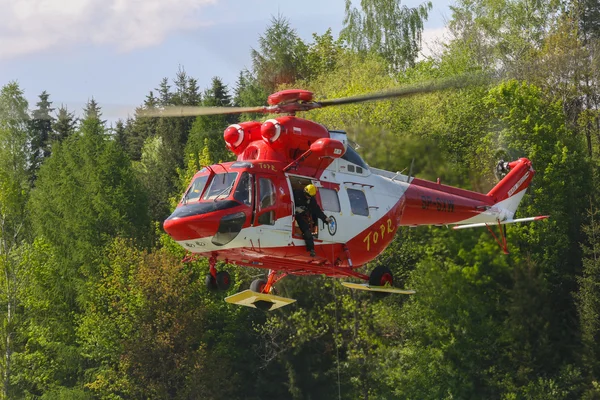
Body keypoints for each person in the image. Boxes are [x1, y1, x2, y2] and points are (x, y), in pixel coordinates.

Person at [293, 184, 332, 257]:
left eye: (310, 196)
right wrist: (295, 208)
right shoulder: (296, 193)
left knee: (307, 231)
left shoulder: (311, 201)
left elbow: (317, 210)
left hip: (300, 215)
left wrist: (325, 219)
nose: (308, 197)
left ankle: (311, 249)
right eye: (307, 195)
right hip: (290, 212)